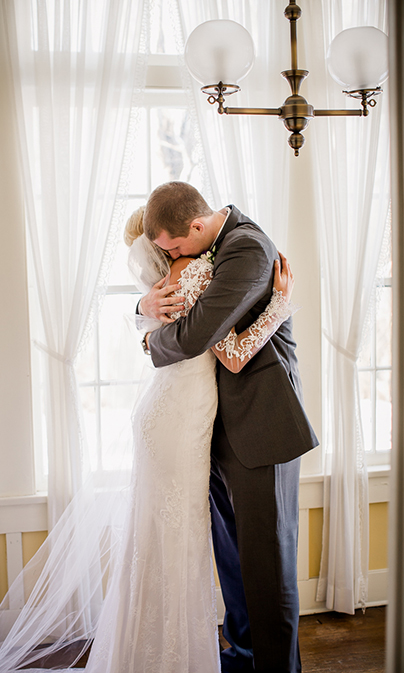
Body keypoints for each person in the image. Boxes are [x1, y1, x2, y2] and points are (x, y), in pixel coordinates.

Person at [0, 203, 298, 673]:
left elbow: (181, 334)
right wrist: (281, 305)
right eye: (166, 249)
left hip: (184, 418)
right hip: (186, 421)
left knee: (166, 539)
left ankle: (158, 646)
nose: (172, 252)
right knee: (183, 541)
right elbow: (227, 352)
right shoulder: (196, 271)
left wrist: (142, 317)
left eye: (173, 244)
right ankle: (185, 651)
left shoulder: (197, 270)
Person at [139, 181, 319, 673]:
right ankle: (243, 656)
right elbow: (190, 314)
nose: (172, 258)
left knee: (268, 567)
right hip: (214, 429)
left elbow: (199, 334)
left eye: (174, 247)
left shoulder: (249, 250)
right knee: (235, 562)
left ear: (196, 226)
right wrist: (143, 308)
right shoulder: (204, 252)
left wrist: (149, 343)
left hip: (263, 426)